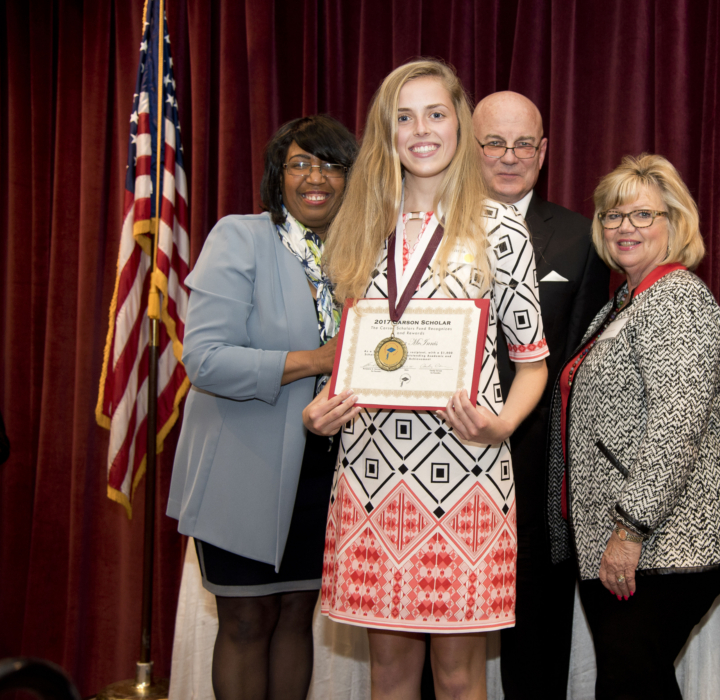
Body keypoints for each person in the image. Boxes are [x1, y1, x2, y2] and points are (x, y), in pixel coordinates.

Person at [303, 60, 549, 700]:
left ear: (459, 125)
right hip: (371, 476)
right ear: (385, 133)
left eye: (436, 114)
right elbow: (352, 351)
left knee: (459, 677)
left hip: (465, 473)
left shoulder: (500, 227)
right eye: (404, 117)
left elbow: (532, 363)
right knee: (388, 675)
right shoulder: (360, 225)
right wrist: (319, 408)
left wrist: (501, 424)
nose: (421, 130)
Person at [166, 115, 358, 700]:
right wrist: (315, 359)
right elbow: (205, 360)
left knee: (297, 616)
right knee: (247, 621)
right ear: (278, 177)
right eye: (300, 164)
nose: (315, 178)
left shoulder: (359, 255)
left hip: (324, 471)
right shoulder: (241, 237)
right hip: (241, 467)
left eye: (331, 165)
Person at [546, 154, 720, 700]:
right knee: (636, 682)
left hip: (669, 539)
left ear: (674, 223)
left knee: (629, 683)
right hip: (635, 537)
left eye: (643, 215)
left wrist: (630, 529)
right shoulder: (625, 302)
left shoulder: (677, 298)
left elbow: (674, 425)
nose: (625, 227)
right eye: (613, 215)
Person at [472, 90, 609, 700]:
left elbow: (582, 366)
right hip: (434, 466)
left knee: (536, 644)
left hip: (536, 476)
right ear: (470, 150)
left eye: (524, 144)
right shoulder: (431, 231)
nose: (510, 156)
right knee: (437, 640)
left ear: (544, 151)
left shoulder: (582, 237)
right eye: (495, 143)